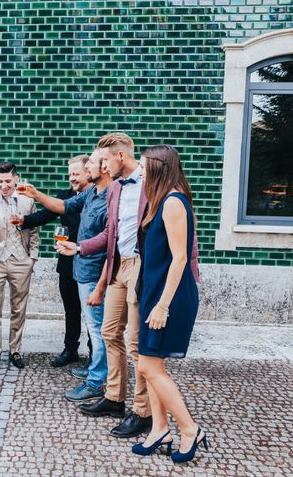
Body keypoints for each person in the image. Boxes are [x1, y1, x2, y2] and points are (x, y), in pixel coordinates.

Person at [71, 133, 153, 438]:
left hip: (141, 266)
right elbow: (111, 233)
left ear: (120, 157)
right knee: (108, 332)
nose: (101, 167)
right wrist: (80, 248)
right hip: (118, 265)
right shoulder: (116, 187)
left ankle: (142, 411)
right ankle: (115, 398)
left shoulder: (150, 181)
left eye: (104, 160)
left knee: (136, 342)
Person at [131, 145, 207, 463]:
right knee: (151, 366)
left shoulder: (174, 202)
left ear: (159, 167)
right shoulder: (160, 199)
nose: (140, 170)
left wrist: (162, 305)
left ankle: (189, 430)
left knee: (148, 365)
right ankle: (160, 429)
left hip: (170, 297)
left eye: (144, 166)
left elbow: (179, 259)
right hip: (155, 292)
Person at [26, 150, 112, 403]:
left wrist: (79, 248)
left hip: (94, 271)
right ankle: (95, 368)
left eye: (92, 165)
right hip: (78, 268)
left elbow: (109, 238)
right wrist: (35, 194)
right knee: (89, 322)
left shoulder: (112, 196)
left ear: (94, 169)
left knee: (97, 329)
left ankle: (97, 381)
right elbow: (61, 206)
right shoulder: (88, 194)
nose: (76, 176)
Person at [19, 155, 93, 368]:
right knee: (71, 309)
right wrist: (20, 221)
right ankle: (70, 349)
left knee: (91, 313)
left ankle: (94, 354)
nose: (72, 178)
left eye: (76, 174)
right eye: (70, 174)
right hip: (67, 265)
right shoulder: (64, 197)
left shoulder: (99, 196)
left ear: (88, 172)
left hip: (90, 263)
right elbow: (42, 217)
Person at [0, 162, 39, 372]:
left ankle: (15, 349)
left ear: (16, 179)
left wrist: (32, 257)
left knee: (18, 308)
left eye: (7, 181)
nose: (3, 185)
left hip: (21, 260)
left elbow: (33, 230)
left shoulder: (27, 199)